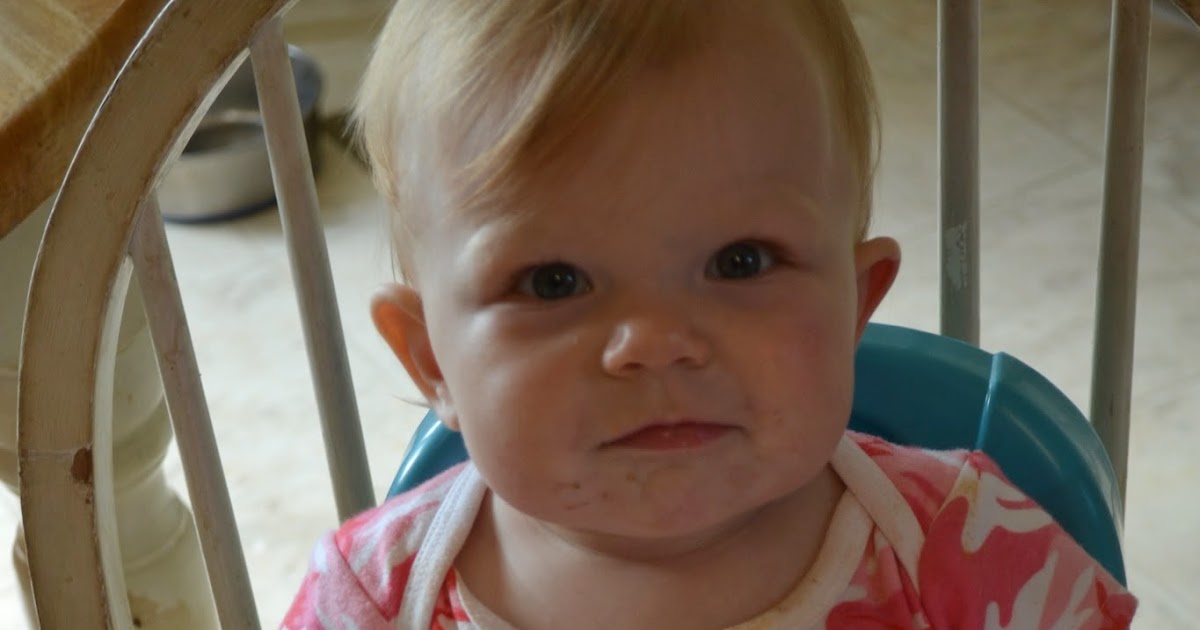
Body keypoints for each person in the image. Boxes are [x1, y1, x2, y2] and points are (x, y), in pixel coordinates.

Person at [283, 1, 1137, 627]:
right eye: (552, 282)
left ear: (856, 306)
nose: (655, 343)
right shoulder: (371, 603)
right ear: (431, 359)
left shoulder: (969, 555)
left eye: (740, 262)